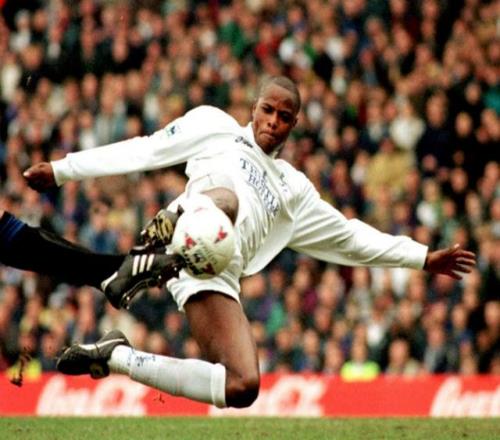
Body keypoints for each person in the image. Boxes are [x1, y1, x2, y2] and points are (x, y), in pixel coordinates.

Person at [6, 76, 475, 409]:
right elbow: (146, 149)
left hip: (215, 273)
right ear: (253, 107)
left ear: (294, 125)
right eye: (267, 110)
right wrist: (64, 169)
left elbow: (351, 238)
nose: (272, 121)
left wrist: (421, 257)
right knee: (226, 200)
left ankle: (116, 356)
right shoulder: (216, 127)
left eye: (284, 117)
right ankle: (159, 244)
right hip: (188, 228)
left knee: (243, 387)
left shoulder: (294, 190)